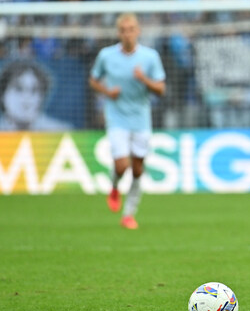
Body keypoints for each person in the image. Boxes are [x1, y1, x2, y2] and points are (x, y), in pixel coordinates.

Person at [89, 13, 166, 229]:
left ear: (138, 31)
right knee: (122, 165)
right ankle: (114, 187)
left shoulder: (150, 57)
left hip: (141, 118)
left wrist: (144, 80)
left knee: (138, 169)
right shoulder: (106, 56)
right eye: (123, 30)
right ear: (118, 33)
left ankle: (129, 214)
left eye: (131, 29)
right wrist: (107, 92)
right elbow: (93, 80)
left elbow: (161, 89)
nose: (127, 34)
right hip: (116, 116)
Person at [0, 60, 72, 131]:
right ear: (3, 95)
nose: (27, 97)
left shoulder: (61, 132)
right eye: (18, 89)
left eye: (34, 91)